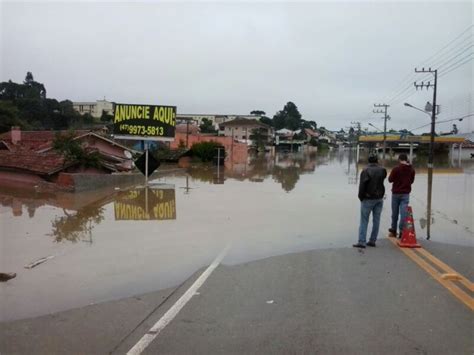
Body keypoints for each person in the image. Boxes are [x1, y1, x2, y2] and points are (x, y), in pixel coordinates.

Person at [353, 154, 387, 248]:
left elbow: (362, 186)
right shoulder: (383, 170)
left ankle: (362, 241)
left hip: (368, 198)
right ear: (377, 161)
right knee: (376, 220)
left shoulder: (365, 170)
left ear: (368, 161)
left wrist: (361, 197)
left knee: (364, 221)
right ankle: (372, 240)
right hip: (379, 198)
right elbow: (382, 181)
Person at [388, 153, 415, 238]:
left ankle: (393, 230)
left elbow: (390, 180)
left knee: (394, 214)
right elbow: (411, 181)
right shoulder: (411, 170)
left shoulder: (396, 169)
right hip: (405, 194)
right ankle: (402, 231)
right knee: (403, 213)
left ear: (399, 159)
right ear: (406, 159)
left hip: (396, 193)